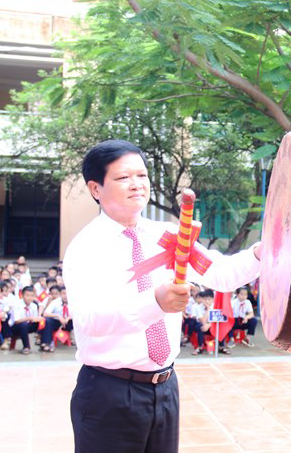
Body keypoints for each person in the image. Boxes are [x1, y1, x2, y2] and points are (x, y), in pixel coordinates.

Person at [63, 140, 262, 453]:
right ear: (95, 188)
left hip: (165, 388)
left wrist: (261, 254)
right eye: (122, 178)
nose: (136, 185)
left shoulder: (167, 236)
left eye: (142, 176)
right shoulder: (85, 248)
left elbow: (221, 273)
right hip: (109, 393)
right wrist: (154, 303)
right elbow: (91, 322)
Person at [10, 286, 43, 355]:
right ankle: (26, 347)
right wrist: (30, 318)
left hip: (28, 325)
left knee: (43, 322)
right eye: (27, 295)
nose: (29, 298)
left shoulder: (34, 305)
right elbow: (17, 321)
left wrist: (38, 319)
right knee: (23, 324)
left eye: (32, 296)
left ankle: (45, 343)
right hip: (15, 327)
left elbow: (34, 318)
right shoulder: (17, 304)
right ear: (22, 295)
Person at [41, 286, 72, 352]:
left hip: (68, 323)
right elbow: (45, 313)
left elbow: (79, 314)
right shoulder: (55, 302)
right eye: (63, 293)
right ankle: (48, 343)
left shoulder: (74, 302)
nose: (65, 296)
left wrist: (68, 318)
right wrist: (58, 316)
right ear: (60, 294)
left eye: (67, 293)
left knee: (78, 320)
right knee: (47, 321)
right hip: (57, 322)